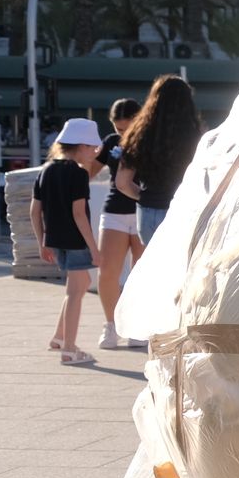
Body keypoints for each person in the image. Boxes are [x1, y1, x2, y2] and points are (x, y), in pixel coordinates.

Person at [32, 118, 104, 367]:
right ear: (81, 146)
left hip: (55, 240)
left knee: (79, 285)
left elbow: (34, 211)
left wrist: (42, 241)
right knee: (76, 292)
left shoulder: (46, 170)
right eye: (93, 148)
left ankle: (59, 338)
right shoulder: (77, 173)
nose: (95, 153)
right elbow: (79, 214)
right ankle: (70, 350)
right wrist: (94, 249)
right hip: (75, 241)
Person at [116, 74, 202, 245]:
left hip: (147, 212)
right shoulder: (194, 137)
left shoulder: (137, 135)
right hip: (181, 210)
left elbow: (122, 183)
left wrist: (146, 196)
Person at [95, 97, 144, 350]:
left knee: (140, 273)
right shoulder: (111, 143)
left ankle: (136, 325)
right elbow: (88, 170)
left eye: (127, 126)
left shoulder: (150, 139)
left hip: (143, 210)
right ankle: (111, 325)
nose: (123, 133)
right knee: (108, 272)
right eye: (118, 128)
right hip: (114, 209)